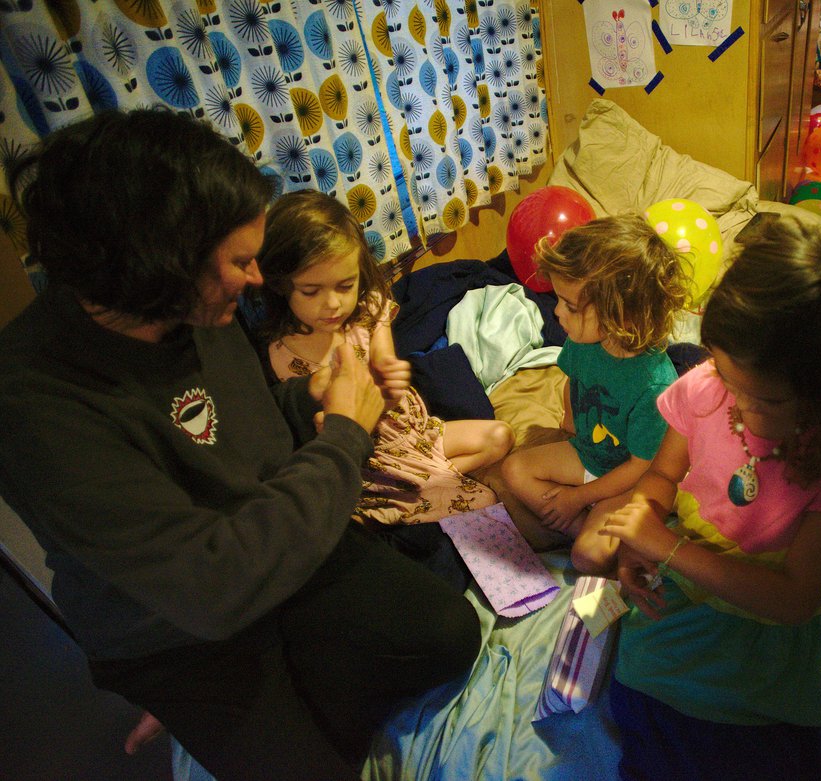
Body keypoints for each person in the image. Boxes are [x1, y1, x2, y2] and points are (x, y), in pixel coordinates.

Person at [0, 108, 480, 781]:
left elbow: (236, 423)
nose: (259, 280)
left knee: (448, 637)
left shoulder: (203, 308)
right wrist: (342, 435)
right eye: (241, 262)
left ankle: (287, 688)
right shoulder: (35, 404)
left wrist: (307, 399)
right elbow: (211, 584)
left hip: (281, 539)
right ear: (156, 271)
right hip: (182, 624)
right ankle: (204, 704)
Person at [597, 215, 821, 781]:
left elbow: (795, 598)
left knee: (771, 752)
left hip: (774, 633)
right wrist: (641, 533)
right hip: (686, 591)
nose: (730, 403)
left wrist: (663, 549)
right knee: (645, 710)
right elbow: (662, 477)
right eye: (722, 372)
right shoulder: (705, 388)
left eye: (756, 397)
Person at [255, 190, 512, 569]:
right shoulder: (283, 353)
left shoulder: (368, 308)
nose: (333, 304)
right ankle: (433, 487)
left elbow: (387, 365)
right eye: (311, 291)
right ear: (282, 285)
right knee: (482, 502)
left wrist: (392, 377)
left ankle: (437, 480)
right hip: (373, 458)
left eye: (345, 286)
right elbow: (322, 429)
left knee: (502, 435)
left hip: (413, 430)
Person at [499, 214, 687, 570]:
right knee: (513, 469)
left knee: (587, 557)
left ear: (621, 315)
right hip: (588, 454)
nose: (556, 312)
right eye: (559, 300)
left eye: (570, 306)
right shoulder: (582, 342)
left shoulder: (654, 384)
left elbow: (643, 467)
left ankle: (589, 528)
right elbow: (573, 380)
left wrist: (579, 497)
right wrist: (569, 424)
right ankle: (582, 525)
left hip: (632, 479)